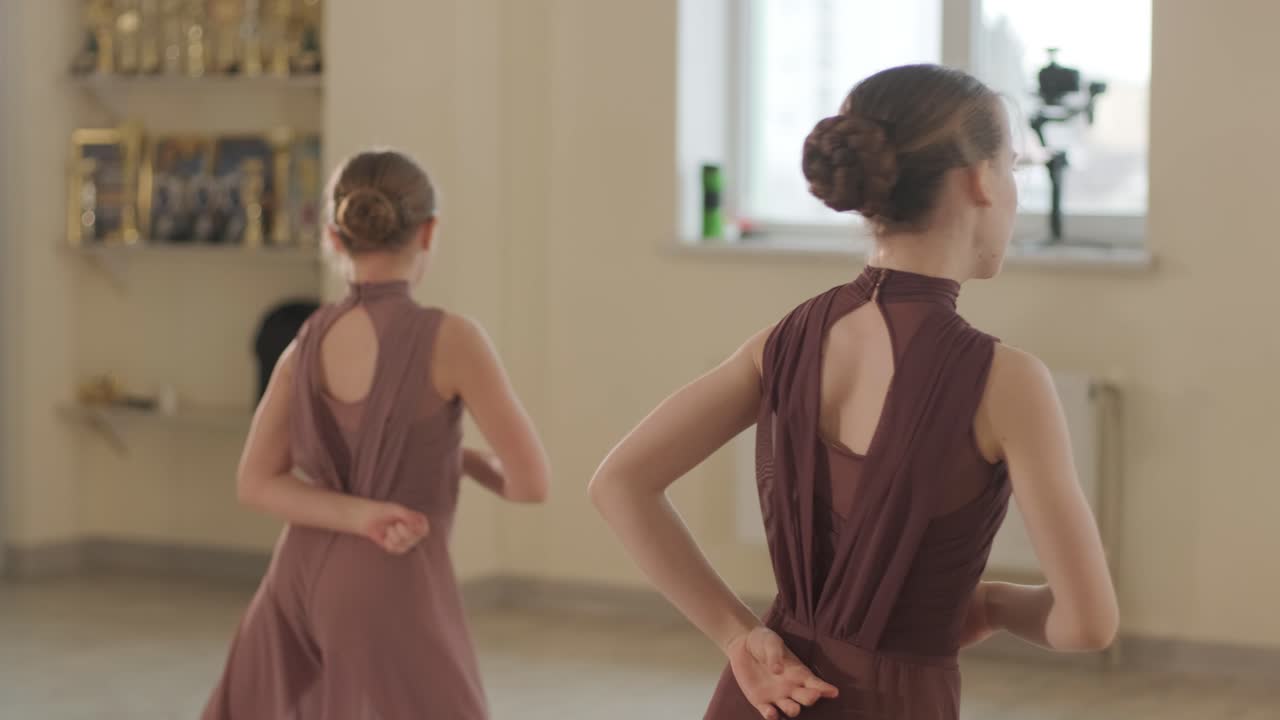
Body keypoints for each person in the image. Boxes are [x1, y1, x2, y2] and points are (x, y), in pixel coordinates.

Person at [590, 64, 1118, 719]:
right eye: (1012, 169)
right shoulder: (1007, 381)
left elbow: (619, 483)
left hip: (769, 696)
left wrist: (737, 636)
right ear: (980, 180)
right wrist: (994, 603)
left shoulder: (783, 341)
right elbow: (1087, 623)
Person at [203, 149, 551, 719]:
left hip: (294, 577)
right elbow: (530, 483)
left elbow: (255, 482)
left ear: (333, 236)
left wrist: (364, 511)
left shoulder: (304, 342)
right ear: (428, 231)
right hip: (391, 581)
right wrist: (459, 463)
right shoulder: (453, 340)